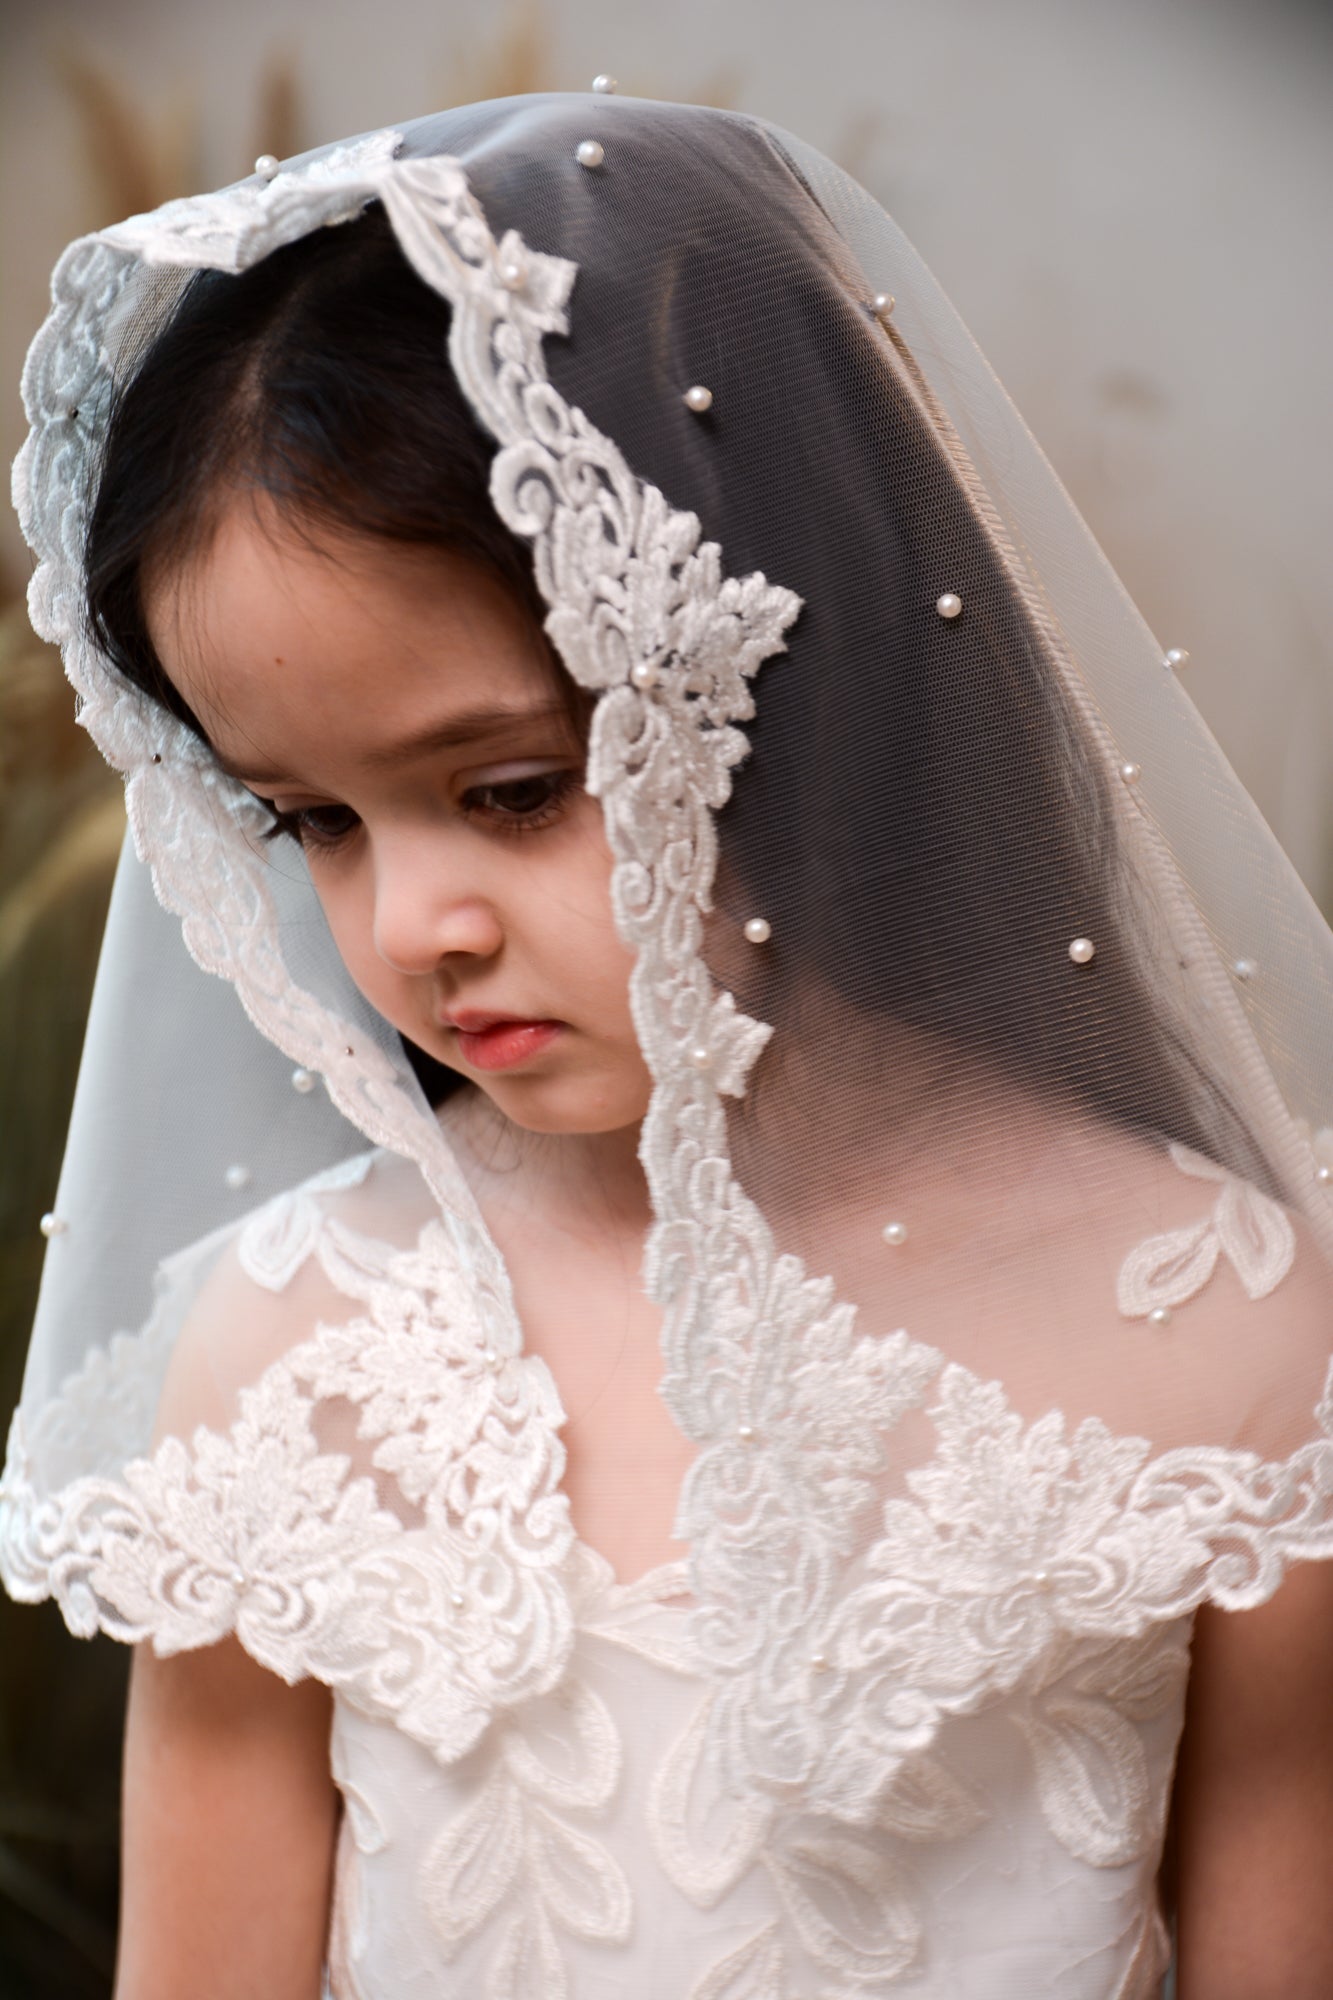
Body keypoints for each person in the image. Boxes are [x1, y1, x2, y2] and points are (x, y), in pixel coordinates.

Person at [3, 89, 1332, 2000]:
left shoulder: (1221, 1343)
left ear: (790, 684)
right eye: (316, 822)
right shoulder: (292, 1358)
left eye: (517, 789)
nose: (412, 927)